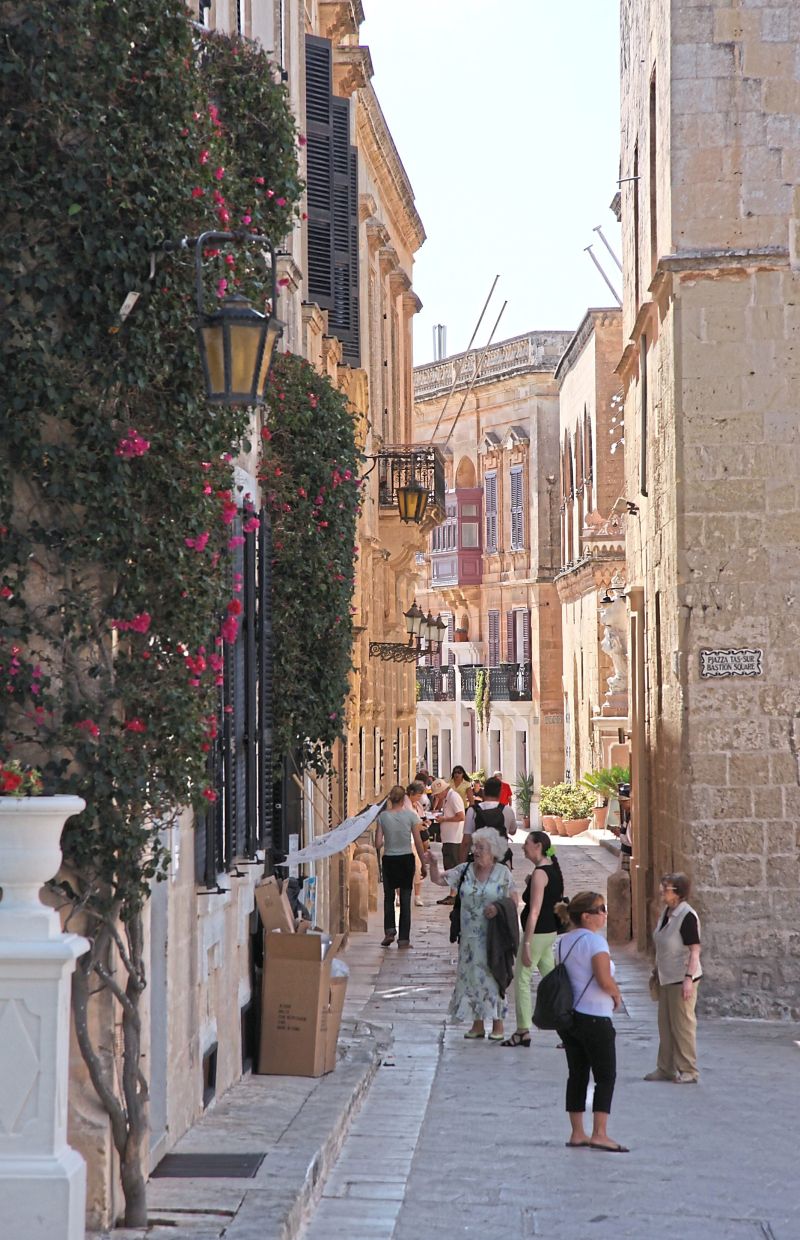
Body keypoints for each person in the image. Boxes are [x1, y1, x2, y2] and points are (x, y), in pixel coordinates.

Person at [425, 827, 518, 1040]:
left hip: (493, 938)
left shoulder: (503, 873)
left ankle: (498, 1025)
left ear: (493, 851)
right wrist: (433, 863)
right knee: (473, 980)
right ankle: (477, 1024)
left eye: (481, 848)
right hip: (468, 940)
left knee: (494, 978)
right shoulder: (464, 870)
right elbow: (438, 880)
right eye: (475, 846)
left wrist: (498, 908)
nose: (475, 851)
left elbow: (513, 901)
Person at [555, 891, 628, 1152]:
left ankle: (577, 1132)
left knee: (577, 1074)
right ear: (587, 916)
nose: (605, 913)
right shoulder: (596, 943)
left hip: (569, 1018)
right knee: (605, 1075)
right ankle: (599, 1133)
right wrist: (617, 994)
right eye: (601, 909)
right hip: (595, 1017)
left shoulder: (563, 942)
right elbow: (603, 979)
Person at [502, 830, 564, 1047]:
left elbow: (535, 911)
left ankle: (522, 1030)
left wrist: (526, 943)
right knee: (553, 982)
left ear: (538, 846)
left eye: (527, 843)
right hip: (549, 933)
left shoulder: (540, 874)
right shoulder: (551, 869)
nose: (523, 847)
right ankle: (569, 1029)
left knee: (522, 979)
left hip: (537, 934)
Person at [645, 872, 702, 1084]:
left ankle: (688, 1069)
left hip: (681, 978)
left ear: (677, 893)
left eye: (666, 888)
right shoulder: (668, 912)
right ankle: (665, 1067)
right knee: (666, 1025)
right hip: (666, 976)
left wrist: (688, 978)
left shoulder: (687, 916)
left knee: (683, 1025)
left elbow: (694, 951)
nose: (661, 891)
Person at [375, 785, 427, 949]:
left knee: (388, 897)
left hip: (389, 859)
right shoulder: (411, 816)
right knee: (405, 898)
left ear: (390, 799)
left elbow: (377, 843)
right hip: (406, 859)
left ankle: (389, 931)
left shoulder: (383, 817)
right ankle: (404, 939)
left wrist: (388, 839)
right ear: (404, 798)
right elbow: (418, 842)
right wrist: (423, 864)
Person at [461, 775, 516, 864]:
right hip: (500, 861)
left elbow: (466, 842)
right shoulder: (508, 810)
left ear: (484, 791)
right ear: (500, 792)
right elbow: (513, 831)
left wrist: (462, 865)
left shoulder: (473, 811)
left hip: (480, 861)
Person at [428, 776, 465, 905]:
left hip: (454, 838)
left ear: (443, 790)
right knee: (450, 866)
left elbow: (461, 816)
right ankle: (453, 894)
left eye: (437, 794)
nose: (436, 797)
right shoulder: (447, 798)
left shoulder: (453, 797)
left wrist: (444, 819)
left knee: (453, 867)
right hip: (448, 837)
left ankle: (454, 895)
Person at [406, 780, 431, 907]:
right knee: (414, 867)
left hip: (411, 840)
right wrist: (419, 827)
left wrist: (423, 824)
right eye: (418, 795)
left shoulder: (415, 804)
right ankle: (402, 897)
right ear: (411, 793)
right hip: (408, 840)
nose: (419, 798)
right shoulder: (406, 805)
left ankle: (417, 896)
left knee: (416, 868)